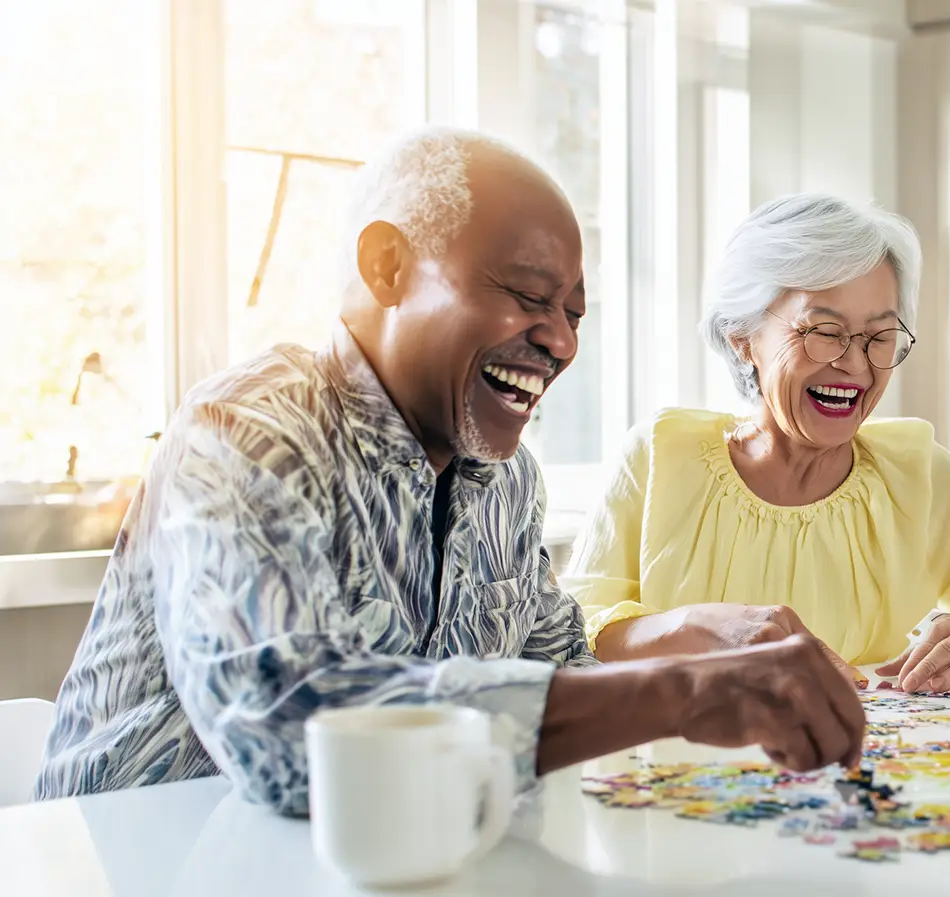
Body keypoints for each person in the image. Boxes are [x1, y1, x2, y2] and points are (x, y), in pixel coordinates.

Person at [34, 128, 863, 814]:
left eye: (574, 314)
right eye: (529, 295)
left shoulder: (509, 480)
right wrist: (679, 690)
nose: (562, 342)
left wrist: (688, 635)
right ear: (386, 267)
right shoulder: (246, 430)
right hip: (144, 857)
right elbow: (296, 733)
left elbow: (554, 671)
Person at [565, 194, 950, 695]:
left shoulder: (911, 475)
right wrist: (692, 629)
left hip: (865, 777)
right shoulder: (661, 456)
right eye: (824, 331)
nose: (854, 365)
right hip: (677, 777)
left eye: (880, 337)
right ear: (743, 339)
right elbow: (569, 631)